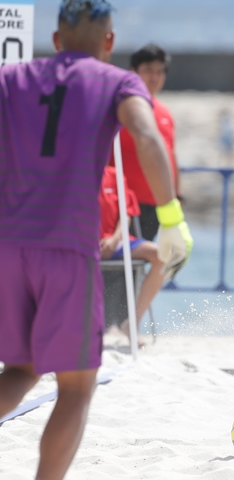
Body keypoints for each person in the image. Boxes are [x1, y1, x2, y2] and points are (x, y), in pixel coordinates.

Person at [0, 2, 193, 479]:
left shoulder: (12, 78)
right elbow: (147, 138)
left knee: (21, 370)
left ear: (57, 37)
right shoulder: (118, 82)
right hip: (67, 248)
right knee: (76, 387)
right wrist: (171, 217)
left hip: (8, 245)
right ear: (109, 41)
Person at [109, 43, 180, 242]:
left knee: (147, 263)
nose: (154, 77)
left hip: (156, 204)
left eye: (160, 71)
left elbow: (171, 154)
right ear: (133, 72)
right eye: (148, 70)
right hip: (124, 204)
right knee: (121, 267)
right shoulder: (122, 107)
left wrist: (177, 196)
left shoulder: (165, 112)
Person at [99, 166, 165, 345]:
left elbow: (126, 213)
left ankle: (132, 323)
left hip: (114, 239)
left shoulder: (114, 174)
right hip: (80, 240)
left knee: (162, 256)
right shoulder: (69, 172)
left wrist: (113, 240)